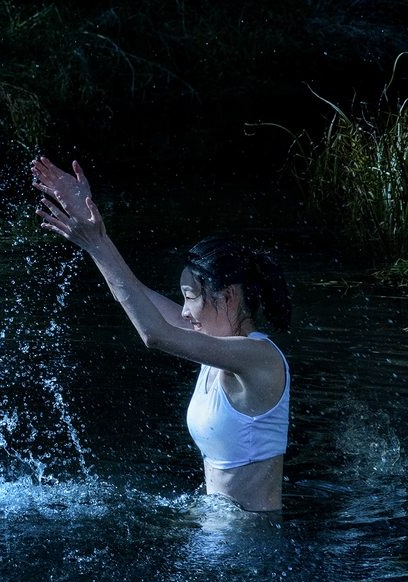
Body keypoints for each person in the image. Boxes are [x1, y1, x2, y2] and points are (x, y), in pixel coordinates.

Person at [32, 157, 292, 511]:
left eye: (190, 297)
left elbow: (154, 334)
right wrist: (94, 236)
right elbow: (134, 295)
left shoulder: (258, 357)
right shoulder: (214, 343)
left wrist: (98, 243)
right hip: (215, 528)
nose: (183, 311)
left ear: (228, 296)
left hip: (250, 537)